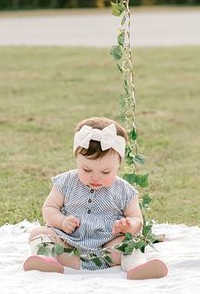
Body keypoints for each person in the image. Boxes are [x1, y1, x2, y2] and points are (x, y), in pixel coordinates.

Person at [23, 116, 168, 280]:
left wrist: (128, 226)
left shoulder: (124, 191)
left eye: (105, 172)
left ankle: (137, 266)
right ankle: (46, 259)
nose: (95, 177)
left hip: (107, 251)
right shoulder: (66, 182)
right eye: (86, 170)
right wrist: (62, 221)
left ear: (118, 165)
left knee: (131, 244)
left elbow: (136, 219)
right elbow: (49, 208)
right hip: (68, 246)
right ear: (76, 160)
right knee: (39, 233)